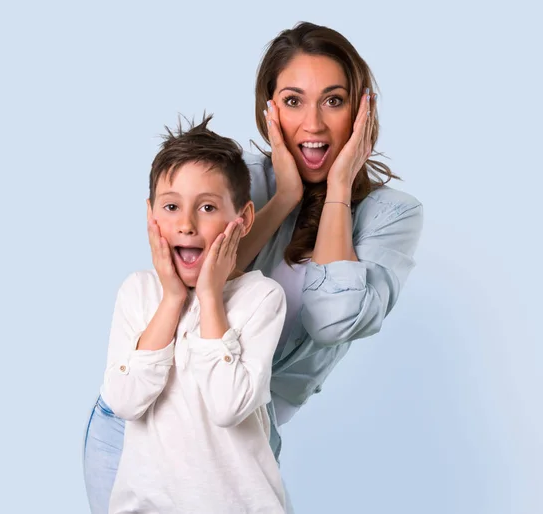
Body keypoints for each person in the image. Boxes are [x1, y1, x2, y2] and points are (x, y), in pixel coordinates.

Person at [83, 21, 423, 512]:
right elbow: (191, 285)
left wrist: (340, 191)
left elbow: (333, 320)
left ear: (362, 111)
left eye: (333, 100)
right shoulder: (236, 178)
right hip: (136, 426)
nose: (312, 124)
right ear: (268, 110)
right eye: (292, 100)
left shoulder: (392, 215)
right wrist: (283, 198)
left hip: (233, 443)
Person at [99, 115, 287, 514]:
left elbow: (228, 406)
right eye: (171, 207)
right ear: (152, 217)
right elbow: (124, 401)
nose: (185, 224)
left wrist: (210, 297)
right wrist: (171, 300)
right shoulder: (138, 292)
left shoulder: (260, 298)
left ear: (243, 219)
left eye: (206, 207)